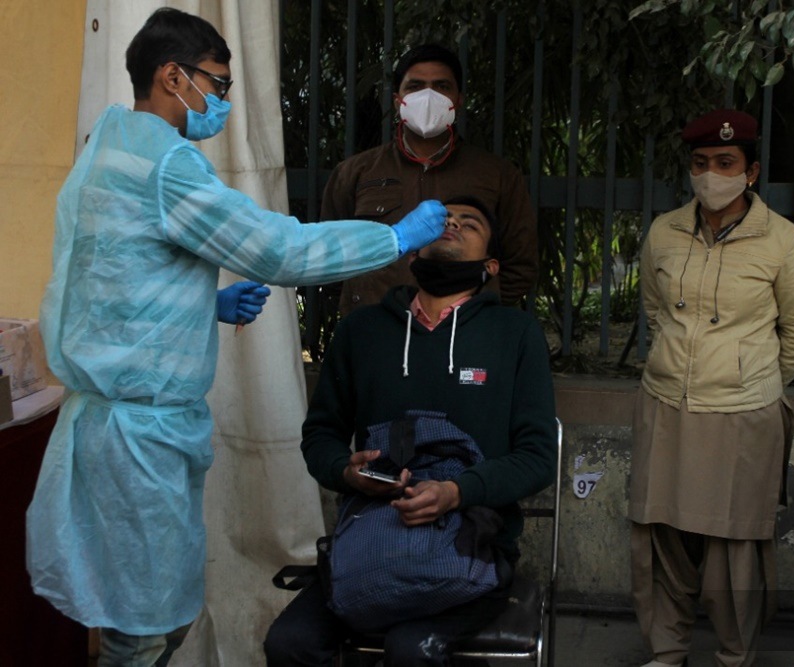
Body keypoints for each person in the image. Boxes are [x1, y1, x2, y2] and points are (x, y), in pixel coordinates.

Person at [25, 8, 450, 667]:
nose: (222, 102)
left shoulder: (108, 146)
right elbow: (276, 250)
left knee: (129, 614)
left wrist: (202, 301)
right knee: (143, 630)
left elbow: (106, 274)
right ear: (173, 76)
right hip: (141, 441)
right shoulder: (169, 168)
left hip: (105, 421)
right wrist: (390, 238)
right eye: (217, 85)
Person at [263, 197, 558, 666]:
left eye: (470, 223)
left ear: (492, 264)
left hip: (472, 548)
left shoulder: (515, 334)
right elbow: (320, 435)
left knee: (409, 651)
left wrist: (457, 492)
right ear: (412, 253)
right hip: (371, 542)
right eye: (443, 220)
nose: (453, 225)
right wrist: (345, 471)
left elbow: (539, 457)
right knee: (288, 642)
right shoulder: (362, 331)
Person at [630, 109, 794, 667]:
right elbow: (655, 310)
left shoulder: (784, 243)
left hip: (742, 411)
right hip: (666, 402)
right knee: (658, 530)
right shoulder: (664, 231)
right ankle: (667, 652)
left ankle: (734, 655)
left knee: (732, 543)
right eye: (701, 163)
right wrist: (676, 365)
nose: (712, 174)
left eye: (725, 163)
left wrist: (749, 377)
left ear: (751, 172)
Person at [321, 44, 538, 312]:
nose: (428, 97)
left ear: (458, 99)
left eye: (441, 86)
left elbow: (520, 263)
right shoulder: (355, 172)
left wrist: (476, 312)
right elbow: (330, 256)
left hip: (463, 336)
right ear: (397, 100)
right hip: (378, 331)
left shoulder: (497, 175)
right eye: (415, 86)